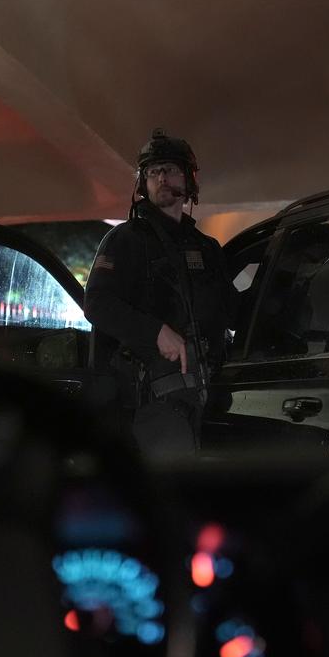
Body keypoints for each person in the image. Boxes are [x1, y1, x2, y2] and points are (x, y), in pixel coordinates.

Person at [84, 128, 237, 456]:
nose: (162, 178)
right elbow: (96, 304)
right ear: (143, 184)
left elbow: (231, 309)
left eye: (170, 169)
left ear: (189, 182)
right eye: (153, 172)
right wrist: (155, 332)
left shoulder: (206, 248)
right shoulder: (125, 240)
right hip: (155, 404)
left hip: (208, 398)